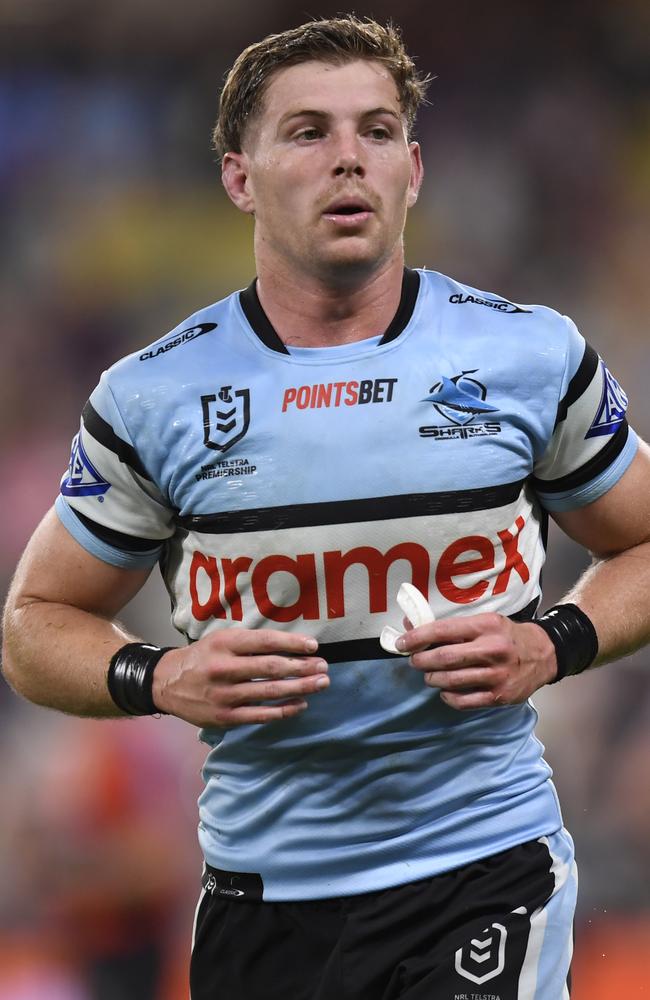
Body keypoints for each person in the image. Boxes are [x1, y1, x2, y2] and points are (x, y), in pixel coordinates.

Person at [3, 15, 650, 1000]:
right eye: (308, 131)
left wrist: (551, 641)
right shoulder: (154, 397)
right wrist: (162, 675)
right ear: (238, 176)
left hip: (479, 867)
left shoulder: (527, 357)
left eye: (377, 131)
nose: (348, 158)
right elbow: (32, 626)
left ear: (413, 168)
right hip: (260, 900)